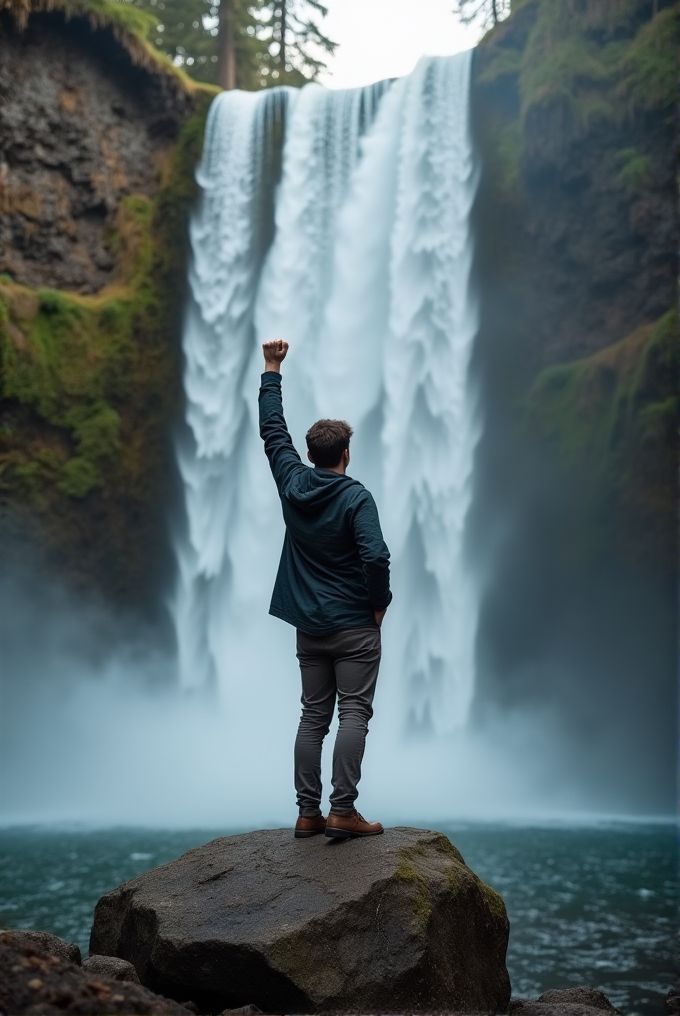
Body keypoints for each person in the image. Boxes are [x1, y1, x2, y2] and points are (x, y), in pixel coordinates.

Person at [259, 339, 392, 840]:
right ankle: (343, 810)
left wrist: (272, 369)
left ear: (310, 454)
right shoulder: (356, 497)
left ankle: (307, 812)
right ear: (346, 455)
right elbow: (375, 556)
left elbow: (273, 431)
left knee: (313, 715)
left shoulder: (292, 482)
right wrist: (379, 603)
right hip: (355, 624)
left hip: (309, 627)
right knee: (353, 711)